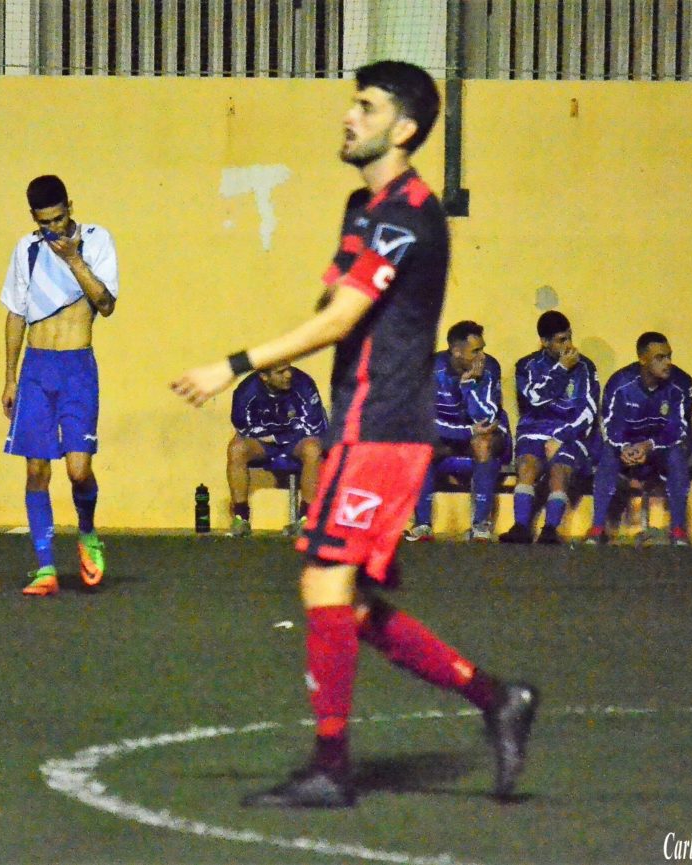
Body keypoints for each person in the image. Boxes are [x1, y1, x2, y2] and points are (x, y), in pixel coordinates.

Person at [171, 60, 538, 808]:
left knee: (324, 580)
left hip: (386, 427)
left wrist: (231, 366)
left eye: (365, 107)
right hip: (362, 424)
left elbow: (340, 319)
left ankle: (332, 766)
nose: (348, 116)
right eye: (352, 103)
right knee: (348, 602)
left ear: (404, 129)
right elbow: (340, 299)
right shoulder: (363, 207)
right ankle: (498, 698)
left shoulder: (409, 213)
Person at [1, 175, 118, 597]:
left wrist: (74, 260)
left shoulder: (96, 240)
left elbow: (106, 304)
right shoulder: (26, 250)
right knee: (36, 470)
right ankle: (46, 566)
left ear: (70, 206)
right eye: (44, 222)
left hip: (76, 368)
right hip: (37, 368)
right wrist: (10, 377)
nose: (53, 228)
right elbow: (16, 313)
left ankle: (87, 532)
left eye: (58, 218)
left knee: (78, 470)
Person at [500, 310, 600, 545]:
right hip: (533, 430)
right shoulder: (526, 366)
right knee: (527, 466)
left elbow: (589, 411)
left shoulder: (586, 367)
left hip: (570, 433)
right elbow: (535, 400)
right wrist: (561, 370)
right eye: (561, 340)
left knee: (559, 470)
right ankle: (521, 527)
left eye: (569, 337)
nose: (569, 345)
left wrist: (562, 437)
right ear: (544, 342)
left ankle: (550, 529)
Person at [585, 332, 692, 546]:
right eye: (660, 358)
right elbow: (610, 424)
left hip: (658, 448)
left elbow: (678, 428)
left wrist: (649, 446)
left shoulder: (681, 384)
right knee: (608, 454)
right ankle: (597, 528)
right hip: (628, 449)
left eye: (669, 356)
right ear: (643, 359)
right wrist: (625, 447)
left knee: (676, 456)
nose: (667, 363)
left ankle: (678, 529)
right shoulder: (620, 383)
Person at [405, 320, 510, 543]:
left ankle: (480, 527)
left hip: (486, 438)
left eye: (482, 349)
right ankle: (422, 525)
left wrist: (469, 386)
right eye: (475, 351)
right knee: (420, 445)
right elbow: (426, 423)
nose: (482, 356)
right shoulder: (430, 370)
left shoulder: (490, 367)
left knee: (483, 442)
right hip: (449, 437)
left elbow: (487, 419)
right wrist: (468, 431)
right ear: (456, 351)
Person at [228, 364, 328, 537]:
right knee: (236, 449)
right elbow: (244, 428)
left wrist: (276, 437)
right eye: (280, 372)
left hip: (296, 443)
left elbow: (314, 425)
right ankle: (241, 518)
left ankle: (307, 520)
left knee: (313, 449)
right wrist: (285, 432)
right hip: (265, 445)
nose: (288, 375)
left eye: (289, 369)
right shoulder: (245, 391)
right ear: (264, 376)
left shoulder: (304, 384)